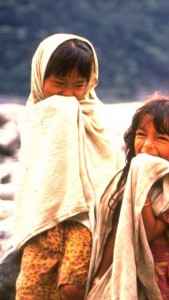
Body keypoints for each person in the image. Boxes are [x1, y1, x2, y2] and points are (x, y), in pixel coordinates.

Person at [14, 33, 121, 299]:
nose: (68, 94)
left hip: (85, 215)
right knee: (31, 290)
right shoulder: (34, 118)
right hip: (44, 218)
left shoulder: (97, 117)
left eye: (78, 85)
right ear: (40, 78)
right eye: (59, 83)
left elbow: (110, 166)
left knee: (74, 287)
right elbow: (32, 179)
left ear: (90, 81)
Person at [86, 96, 169, 299]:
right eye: (142, 134)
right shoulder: (127, 181)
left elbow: (149, 231)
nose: (148, 145)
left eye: (161, 138)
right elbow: (117, 232)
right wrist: (98, 277)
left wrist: (142, 185)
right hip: (131, 272)